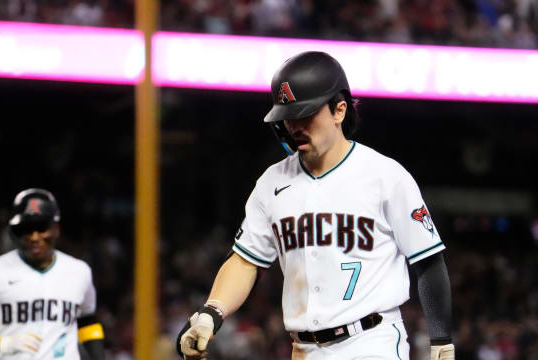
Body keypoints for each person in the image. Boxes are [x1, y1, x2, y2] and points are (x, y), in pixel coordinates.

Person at [177, 51, 454, 360]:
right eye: (289, 116)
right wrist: (210, 313)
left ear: (339, 111)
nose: (295, 126)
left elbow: (428, 260)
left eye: (305, 114)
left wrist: (441, 339)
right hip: (303, 349)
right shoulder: (272, 183)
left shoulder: (385, 176)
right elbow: (245, 261)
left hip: (371, 342)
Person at [0, 188, 105, 360]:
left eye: (42, 227)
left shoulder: (79, 271)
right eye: (26, 229)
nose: (34, 237)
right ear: (14, 233)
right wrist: (1, 343)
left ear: (56, 229)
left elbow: (86, 320)